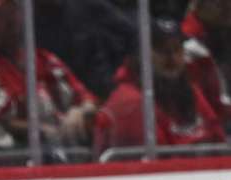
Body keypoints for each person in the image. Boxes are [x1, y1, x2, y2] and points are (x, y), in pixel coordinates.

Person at [94, 19, 227, 153]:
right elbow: (157, 164)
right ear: (141, 54)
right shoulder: (130, 102)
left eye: (177, 49)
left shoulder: (189, 90)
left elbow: (218, 139)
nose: (172, 57)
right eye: (161, 50)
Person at [0, 0, 97, 149]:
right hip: (21, 153)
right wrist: (41, 129)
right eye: (2, 15)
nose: (11, 20)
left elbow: (88, 99)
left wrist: (80, 111)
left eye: (14, 12)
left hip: (65, 147)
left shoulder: (44, 58)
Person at [182, 0, 231, 129]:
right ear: (198, 4)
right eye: (219, 2)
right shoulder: (187, 44)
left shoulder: (221, 33)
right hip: (211, 128)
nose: (227, 6)